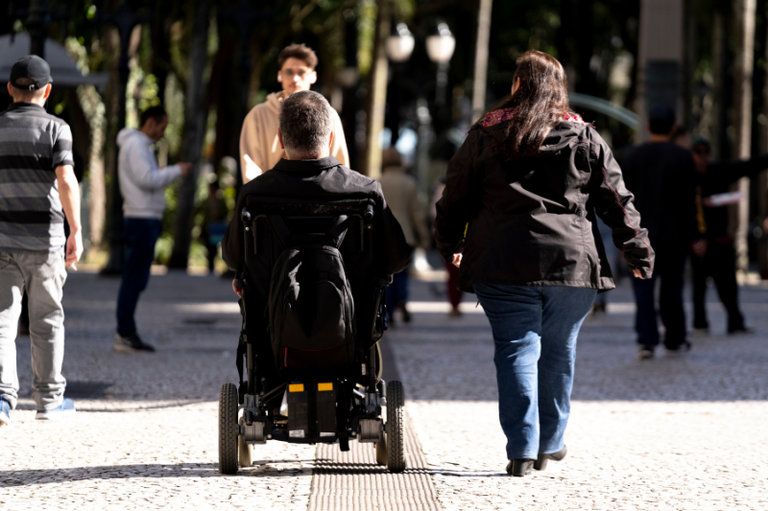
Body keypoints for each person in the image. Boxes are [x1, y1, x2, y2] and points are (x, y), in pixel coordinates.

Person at [434, 50, 653, 477]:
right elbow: (616, 199)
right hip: (571, 264)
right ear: (559, 88)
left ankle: (521, 450)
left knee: (515, 350)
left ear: (516, 85)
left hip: (501, 261)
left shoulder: (484, 133)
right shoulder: (584, 135)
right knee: (559, 351)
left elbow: (454, 196)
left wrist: (450, 244)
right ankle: (551, 442)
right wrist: (637, 250)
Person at [222, 90, 410, 388]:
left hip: (274, 340)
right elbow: (397, 258)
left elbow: (233, 258)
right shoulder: (365, 191)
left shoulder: (255, 193)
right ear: (332, 137)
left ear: (281, 141)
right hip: (350, 336)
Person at [0, 55, 83, 424]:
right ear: (47, 91)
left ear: (10, 89)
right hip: (46, 240)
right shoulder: (57, 129)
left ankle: (2, 398)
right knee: (47, 319)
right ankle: (49, 402)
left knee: (2, 319)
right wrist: (76, 229)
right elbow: (65, 180)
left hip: (2, 241)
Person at [619, 105, 699, 359]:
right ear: (673, 128)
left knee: (642, 289)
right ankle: (675, 338)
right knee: (672, 287)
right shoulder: (683, 156)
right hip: (675, 235)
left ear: (648, 127)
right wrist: (695, 234)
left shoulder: (632, 156)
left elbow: (622, 197)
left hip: (640, 235)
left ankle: (647, 340)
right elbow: (690, 200)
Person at [114, 105, 192, 353]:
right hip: (141, 218)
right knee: (133, 279)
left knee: (135, 278)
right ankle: (125, 333)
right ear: (150, 123)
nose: (162, 133)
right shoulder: (136, 145)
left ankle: (126, 332)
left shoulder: (137, 145)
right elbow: (147, 179)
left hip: (143, 218)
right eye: (162, 127)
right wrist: (176, 171)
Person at [239, 43, 349, 184]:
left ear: (313, 76)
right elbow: (251, 171)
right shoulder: (257, 115)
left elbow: (339, 168)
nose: (295, 78)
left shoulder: (330, 115)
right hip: (270, 200)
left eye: (301, 72)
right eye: (289, 72)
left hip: (318, 199)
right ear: (280, 75)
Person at [689, 136, 761, 335]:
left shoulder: (717, 171)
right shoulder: (687, 176)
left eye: (706, 152)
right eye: (698, 152)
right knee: (698, 285)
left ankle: (735, 322)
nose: (702, 156)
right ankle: (699, 323)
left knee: (727, 284)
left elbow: (746, 167)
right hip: (697, 241)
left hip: (720, 240)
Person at [379, 148, 428, 324]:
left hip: (383, 236)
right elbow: (417, 213)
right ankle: (402, 297)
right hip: (406, 236)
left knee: (387, 274)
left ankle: (389, 309)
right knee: (402, 272)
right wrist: (424, 238)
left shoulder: (377, 182)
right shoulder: (409, 183)